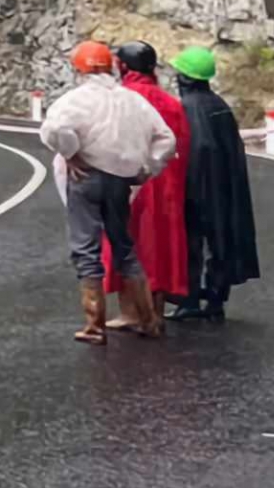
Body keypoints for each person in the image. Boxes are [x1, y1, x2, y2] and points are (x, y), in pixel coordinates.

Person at [41, 41, 178, 345]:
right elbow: (165, 139)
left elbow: (54, 130)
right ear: (111, 66)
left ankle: (94, 326)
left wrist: (71, 153)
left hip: (86, 177)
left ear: (79, 68)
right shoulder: (132, 100)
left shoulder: (74, 100)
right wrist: (147, 169)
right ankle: (149, 321)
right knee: (124, 246)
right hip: (121, 181)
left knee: (85, 248)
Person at [101, 41, 191, 333]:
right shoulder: (171, 103)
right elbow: (183, 146)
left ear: (123, 66)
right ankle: (156, 310)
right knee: (162, 247)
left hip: (130, 184)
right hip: (167, 186)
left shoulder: (121, 99)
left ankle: (131, 312)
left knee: (127, 244)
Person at [166, 46, 260, 321]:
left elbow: (195, 150)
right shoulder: (219, 105)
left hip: (197, 188)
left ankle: (190, 300)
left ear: (185, 78)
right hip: (225, 187)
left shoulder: (187, 108)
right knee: (221, 241)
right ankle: (217, 299)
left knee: (191, 243)